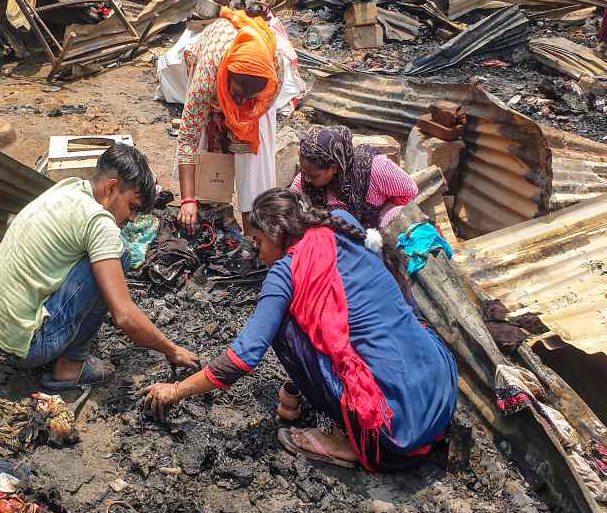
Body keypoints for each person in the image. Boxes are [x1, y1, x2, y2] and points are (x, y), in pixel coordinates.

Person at [142, 189, 457, 471]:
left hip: (395, 428)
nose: (256, 253)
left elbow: (244, 358)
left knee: (285, 328)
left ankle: (340, 440)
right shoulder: (341, 221)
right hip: (440, 390)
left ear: (277, 235)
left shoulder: (284, 273)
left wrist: (177, 390)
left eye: (258, 242)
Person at [0, 144, 199, 390]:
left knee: (101, 258)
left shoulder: (69, 188)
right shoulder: (99, 222)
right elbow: (124, 316)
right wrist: (171, 349)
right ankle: (70, 366)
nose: (132, 218)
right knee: (120, 254)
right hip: (28, 347)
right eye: (132, 207)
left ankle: (57, 346)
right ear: (112, 187)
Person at [176, 3, 283, 237]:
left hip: (252, 104)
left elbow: (255, 104)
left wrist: (239, 125)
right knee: (209, 154)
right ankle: (207, 213)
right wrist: (187, 200)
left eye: (248, 98)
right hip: (212, 74)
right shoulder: (208, 74)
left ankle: (255, 232)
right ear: (227, 77)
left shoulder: (274, 72)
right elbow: (187, 138)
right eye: (236, 95)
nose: (240, 102)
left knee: (252, 162)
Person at [290, 125, 418, 230]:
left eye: (313, 175)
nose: (306, 179)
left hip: (376, 233)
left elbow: (410, 191)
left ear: (334, 168)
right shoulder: (303, 183)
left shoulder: (374, 169)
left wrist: (384, 212)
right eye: (303, 171)